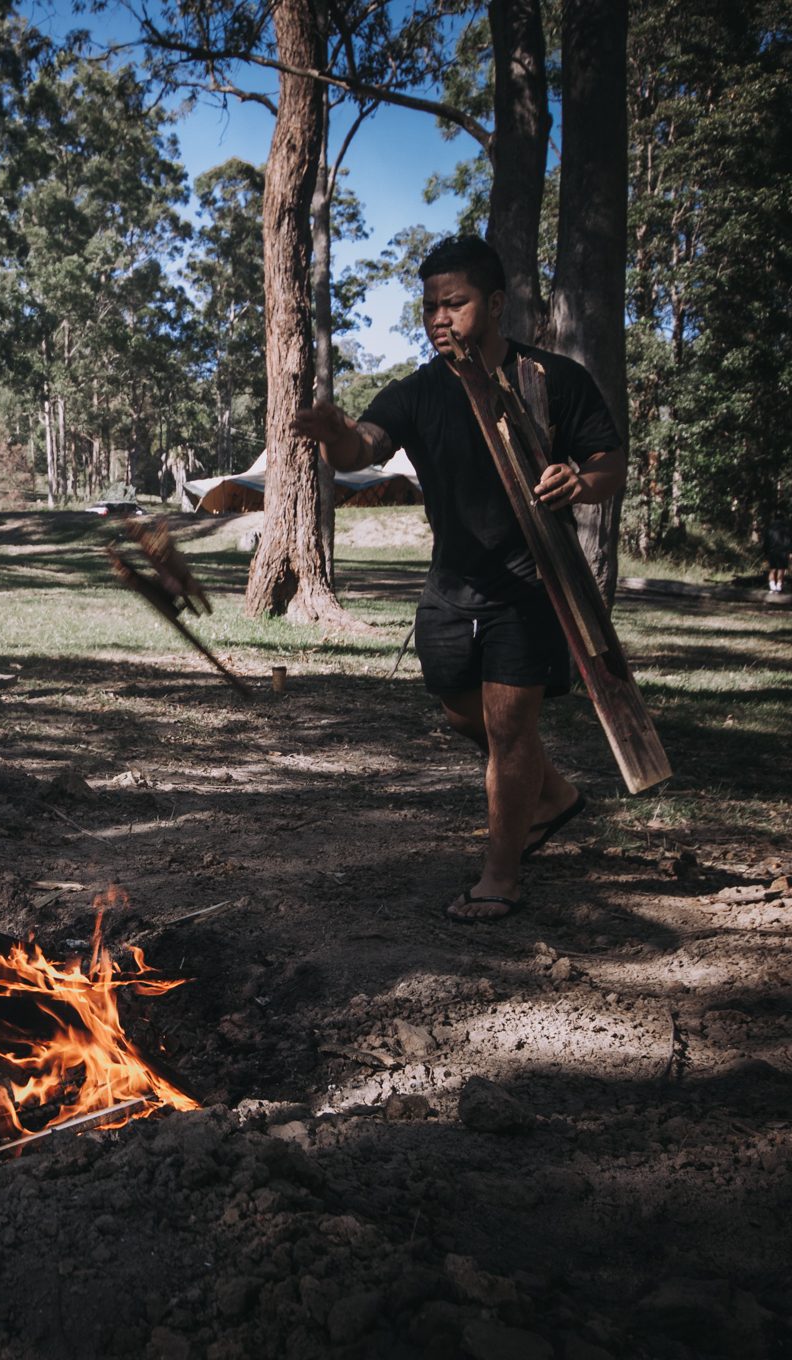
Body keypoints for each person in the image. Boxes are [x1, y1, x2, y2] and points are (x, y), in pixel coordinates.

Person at [296, 236, 625, 923]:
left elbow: (609, 464)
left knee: (510, 730)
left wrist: (581, 480)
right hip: (450, 588)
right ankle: (555, 795)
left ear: (495, 303)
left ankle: (499, 878)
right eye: (429, 306)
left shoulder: (553, 379)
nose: (439, 318)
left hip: (528, 586)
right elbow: (365, 448)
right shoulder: (417, 391)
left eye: (456, 303)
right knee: (458, 710)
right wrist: (334, 436)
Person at [763, 516, 792, 594]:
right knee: (781, 569)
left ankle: (772, 587)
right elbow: (788, 542)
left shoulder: (770, 530)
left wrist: (765, 553)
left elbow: (766, 542)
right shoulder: (786, 529)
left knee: (772, 569)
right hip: (783, 551)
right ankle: (779, 587)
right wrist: (790, 552)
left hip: (772, 551)